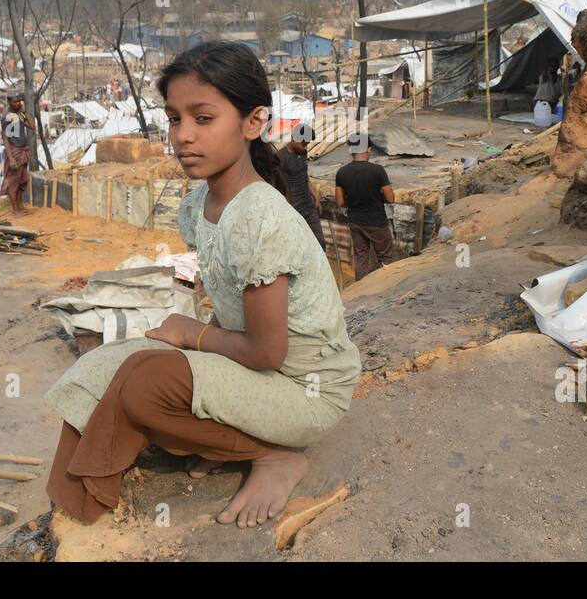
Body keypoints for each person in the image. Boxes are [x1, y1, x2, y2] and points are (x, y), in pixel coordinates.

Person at [44, 41, 360, 529]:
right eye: (174, 119)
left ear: (253, 123)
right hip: (258, 378)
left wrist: (189, 338)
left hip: (303, 389)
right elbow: (229, 310)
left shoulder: (259, 215)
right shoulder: (200, 207)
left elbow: (267, 353)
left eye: (203, 119)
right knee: (105, 365)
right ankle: (76, 499)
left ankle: (275, 456)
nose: (182, 136)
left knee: (147, 381)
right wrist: (199, 362)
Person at [334, 141, 396, 281]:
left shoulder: (342, 172)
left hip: (355, 222)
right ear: (368, 149)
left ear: (351, 151)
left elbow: (340, 202)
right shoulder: (378, 170)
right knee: (385, 257)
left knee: (361, 259)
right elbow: (390, 198)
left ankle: (359, 290)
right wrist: (378, 195)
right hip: (376, 222)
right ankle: (388, 286)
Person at [279, 122, 326, 249]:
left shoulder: (303, 153)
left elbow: (304, 176)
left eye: (307, 144)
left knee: (320, 244)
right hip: (294, 209)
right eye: (303, 144)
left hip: (308, 207)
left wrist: (315, 195)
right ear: (294, 139)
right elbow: (278, 186)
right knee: (298, 247)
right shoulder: (281, 158)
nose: (305, 147)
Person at [0, 91, 34, 216]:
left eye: (19, 101)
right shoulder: (7, 117)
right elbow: (5, 138)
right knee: (13, 182)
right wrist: (11, 157)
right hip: (15, 152)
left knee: (21, 181)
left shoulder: (18, 114)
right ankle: (15, 210)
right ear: (9, 102)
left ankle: (20, 206)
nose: (18, 103)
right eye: (15, 101)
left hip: (23, 150)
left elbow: (32, 126)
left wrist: (24, 112)